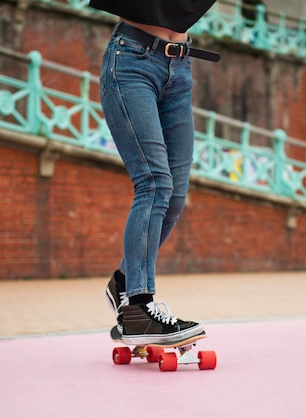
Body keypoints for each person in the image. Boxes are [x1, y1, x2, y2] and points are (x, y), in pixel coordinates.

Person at [89, 0, 220, 345]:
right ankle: (138, 306)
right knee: (154, 184)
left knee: (174, 196)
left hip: (180, 69)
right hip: (132, 61)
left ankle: (123, 282)